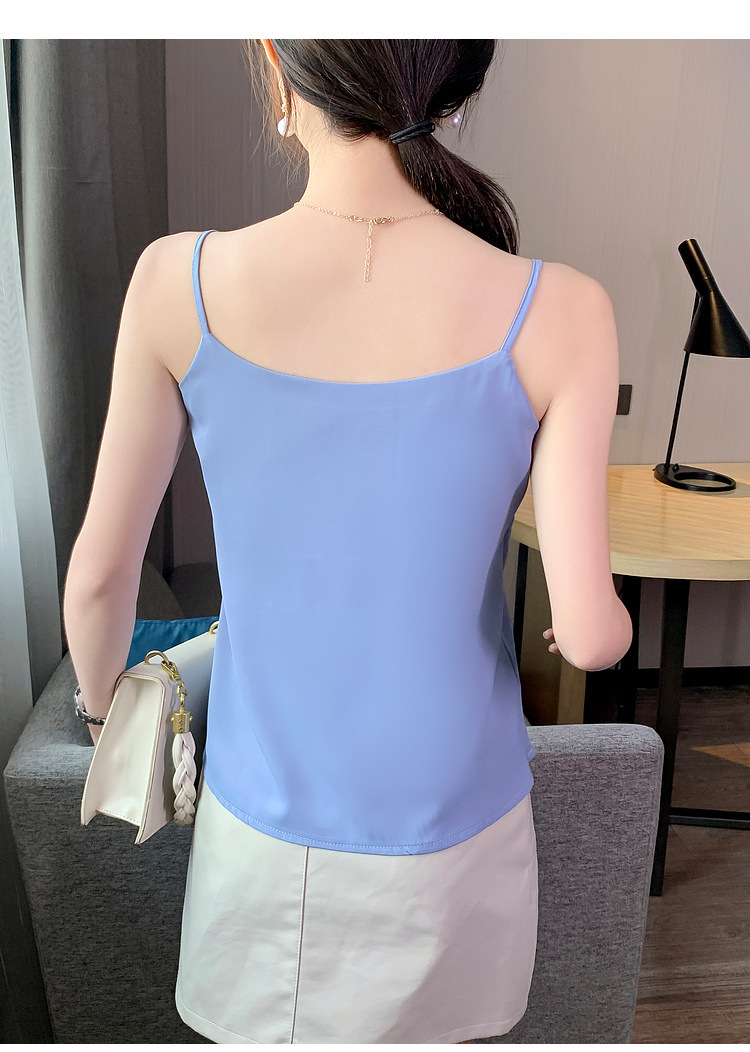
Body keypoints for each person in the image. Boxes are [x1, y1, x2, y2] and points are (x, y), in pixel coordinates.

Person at [65, 38, 632, 1044]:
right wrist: (605, 622)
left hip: (263, 829)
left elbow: (101, 580)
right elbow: (589, 637)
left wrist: (113, 710)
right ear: (453, 80)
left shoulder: (176, 282)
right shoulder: (565, 308)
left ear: (276, 61)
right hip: (461, 834)